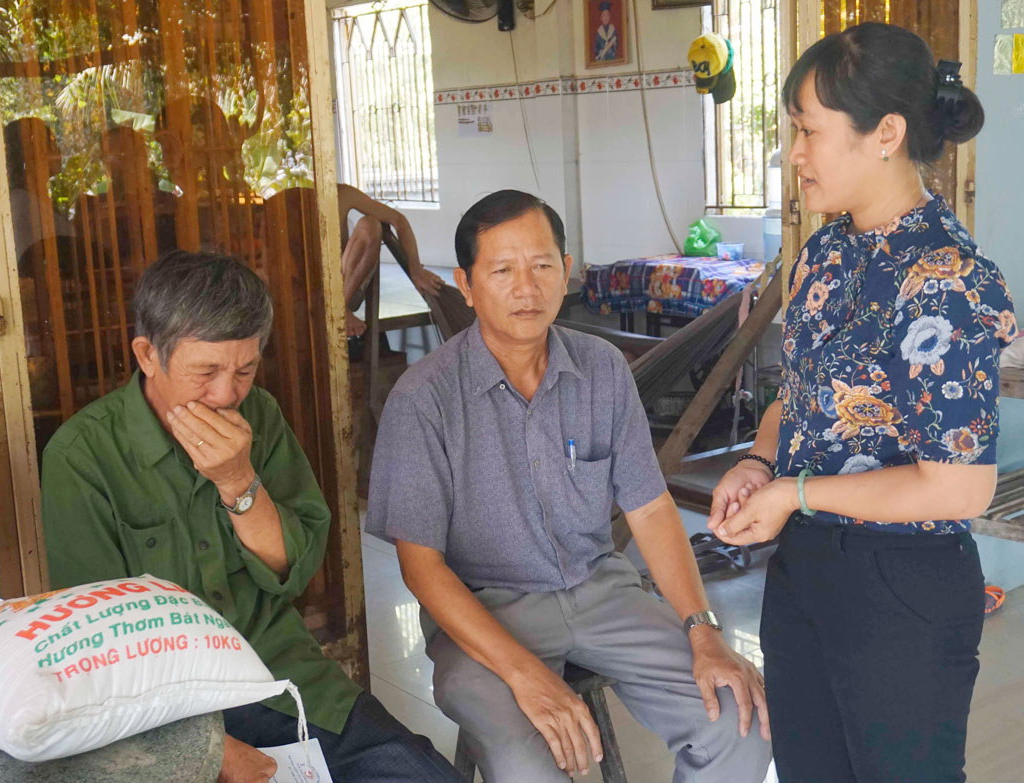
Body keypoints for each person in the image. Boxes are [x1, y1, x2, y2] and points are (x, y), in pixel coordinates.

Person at [366, 190, 771, 782]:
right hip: (487, 612)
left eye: (542, 266)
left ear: (566, 269)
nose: (526, 289)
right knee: (528, 767)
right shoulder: (423, 399)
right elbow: (421, 568)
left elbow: (652, 508)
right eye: (502, 270)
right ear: (466, 283)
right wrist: (524, 673)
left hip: (602, 592)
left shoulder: (602, 368)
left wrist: (702, 629)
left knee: (741, 718)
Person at [706, 23, 1017, 783]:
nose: (796, 153)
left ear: (886, 133)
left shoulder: (947, 278)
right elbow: (804, 395)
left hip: (902, 584)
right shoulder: (824, 252)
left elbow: (958, 485)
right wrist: (758, 460)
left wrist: (796, 490)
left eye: (810, 130)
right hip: (807, 567)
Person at [41, 250, 464, 783]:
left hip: (280, 678)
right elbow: (98, 645)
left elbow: (297, 566)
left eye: (244, 369)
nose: (226, 394)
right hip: (164, 711)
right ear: (148, 355)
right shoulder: (82, 456)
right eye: (206, 371)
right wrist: (208, 748)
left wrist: (238, 482)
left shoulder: (258, 413)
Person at [338, 183, 444, 337]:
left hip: (344, 287)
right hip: (307, 292)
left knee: (370, 224)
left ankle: (340, 309)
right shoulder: (293, 202)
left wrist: (415, 269)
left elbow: (399, 220)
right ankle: (337, 309)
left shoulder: (342, 193)